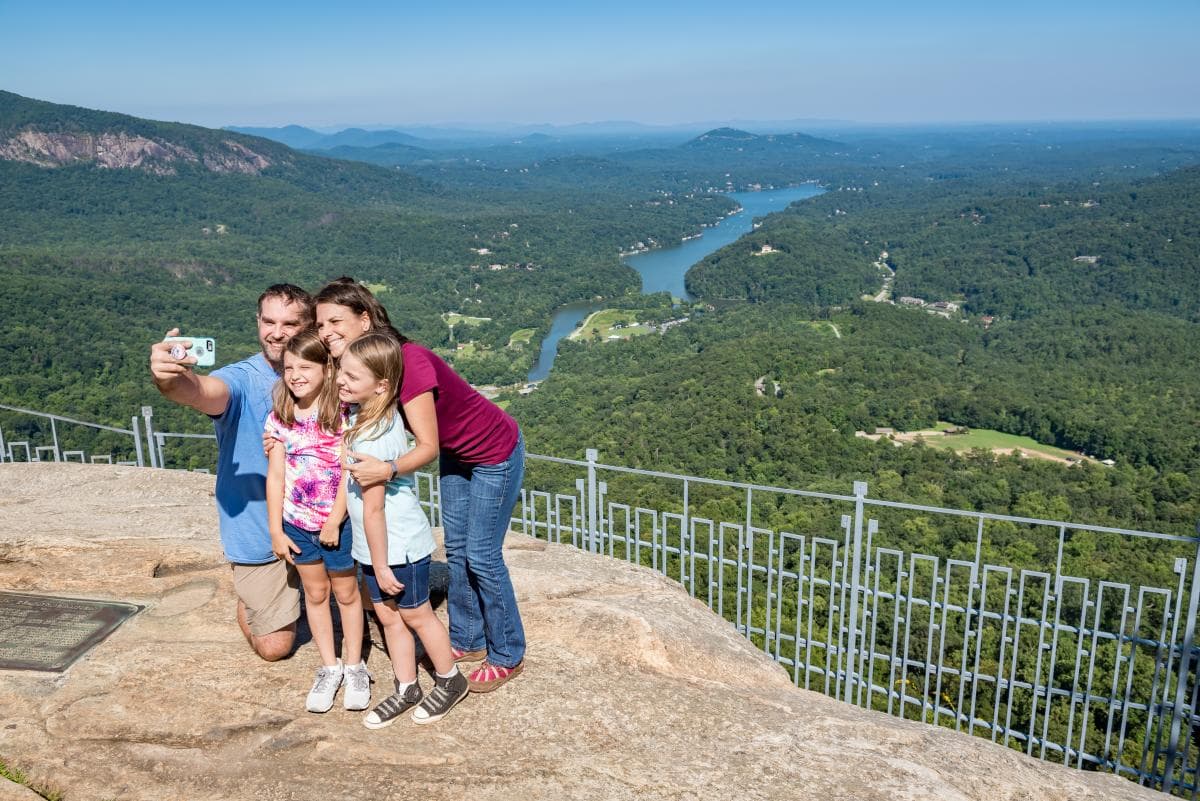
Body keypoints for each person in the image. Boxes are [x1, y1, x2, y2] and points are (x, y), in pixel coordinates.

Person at [317, 278, 527, 693]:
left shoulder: (407, 362)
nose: (326, 332)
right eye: (320, 324)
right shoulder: (366, 368)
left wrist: (387, 469)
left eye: (335, 321)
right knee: (459, 550)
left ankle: (507, 653)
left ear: (365, 319)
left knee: (482, 556)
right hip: (458, 453)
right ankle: (467, 639)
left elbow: (426, 446)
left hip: (494, 451)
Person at [149, 284, 313, 661]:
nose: (277, 333)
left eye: (290, 324)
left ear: (310, 327)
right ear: (257, 322)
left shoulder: (327, 372)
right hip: (260, 528)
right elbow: (201, 391)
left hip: (321, 518)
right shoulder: (241, 379)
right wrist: (169, 378)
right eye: (269, 322)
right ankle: (251, 599)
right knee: (275, 648)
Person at [338, 333, 469, 728]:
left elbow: (375, 507)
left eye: (352, 376)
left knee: (417, 615)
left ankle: (450, 679)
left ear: (381, 385)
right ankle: (407, 686)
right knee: (389, 618)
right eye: (341, 371)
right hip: (374, 547)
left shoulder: (375, 435)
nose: (340, 380)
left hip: (397, 548)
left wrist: (379, 565)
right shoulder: (362, 416)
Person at [265, 328, 370, 712]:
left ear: (326, 369)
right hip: (296, 524)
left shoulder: (341, 415)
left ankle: (355, 665)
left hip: (336, 524)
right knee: (315, 594)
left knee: (346, 593)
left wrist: (334, 520)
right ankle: (329, 666)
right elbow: (276, 477)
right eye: (289, 368)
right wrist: (276, 530)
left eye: (305, 367)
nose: (295, 375)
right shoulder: (280, 418)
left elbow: (347, 473)